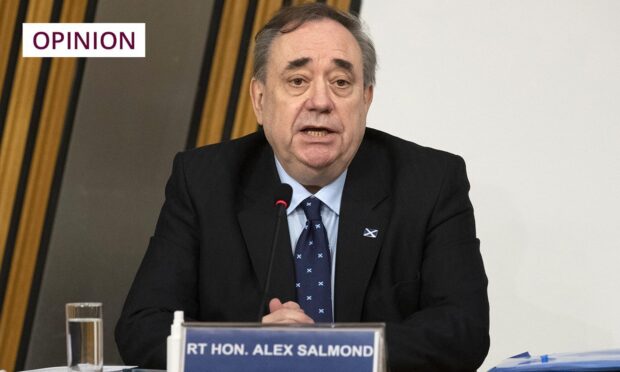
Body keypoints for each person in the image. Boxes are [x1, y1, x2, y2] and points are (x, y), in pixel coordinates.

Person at [115, 3, 489, 371]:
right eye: (298, 81)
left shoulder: (429, 181)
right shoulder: (204, 181)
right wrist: (252, 347)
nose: (321, 102)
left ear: (366, 100)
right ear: (260, 100)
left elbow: (464, 331)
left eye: (341, 82)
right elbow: (141, 328)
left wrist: (331, 349)